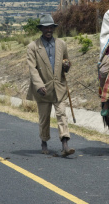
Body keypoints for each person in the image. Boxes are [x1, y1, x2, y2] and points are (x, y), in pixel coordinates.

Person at [26, 14, 75, 157]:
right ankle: (44, 141)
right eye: (45, 27)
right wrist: (39, 85)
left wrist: (67, 65)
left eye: (50, 27)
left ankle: (65, 144)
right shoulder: (33, 47)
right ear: (41, 29)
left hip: (59, 87)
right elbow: (32, 69)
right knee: (44, 118)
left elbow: (66, 61)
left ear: (53, 28)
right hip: (43, 89)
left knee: (62, 114)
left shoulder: (61, 44)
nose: (48, 29)